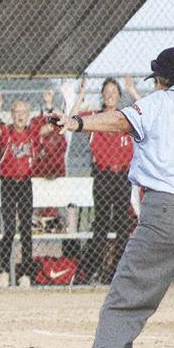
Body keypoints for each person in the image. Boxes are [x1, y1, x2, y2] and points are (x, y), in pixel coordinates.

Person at [52, 46, 174, 348]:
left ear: (162, 79)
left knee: (123, 307)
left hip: (166, 214)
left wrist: (77, 124)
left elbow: (120, 121)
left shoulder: (159, 103)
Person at [73, 77, 140, 284]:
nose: (110, 94)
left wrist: (132, 90)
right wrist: (81, 96)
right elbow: (72, 118)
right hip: (103, 175)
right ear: (102, 95)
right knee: (101, 224)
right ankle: (93, 270)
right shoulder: (95, 117)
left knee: (122, 224)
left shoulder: (126, 116)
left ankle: (117, 272)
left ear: (119, 95)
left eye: (114, 91)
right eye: (106, 91)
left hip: (122, 175)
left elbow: (147, 112)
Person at [0, 91, 50, 287]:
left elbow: (50, 127)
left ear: (29, 114)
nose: (20, 115)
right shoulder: (7, 130)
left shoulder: (32, 132)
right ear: (11, 114)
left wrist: (49, 106)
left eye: (24, 112)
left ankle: (25, 274)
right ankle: (4, 271)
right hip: (8, 183)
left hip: (24, 183)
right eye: (16, 111)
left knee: (25, 230)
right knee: (9, 229)